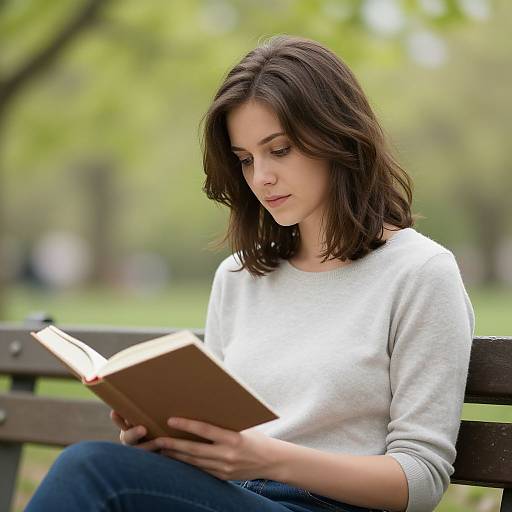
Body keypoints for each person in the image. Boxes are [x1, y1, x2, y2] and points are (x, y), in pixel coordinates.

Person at [25, 34, 475, 512]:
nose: (261, 177)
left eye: (278, 150)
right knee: (107, 471)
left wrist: (269, 459)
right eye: (245, 159)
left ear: (337, 136)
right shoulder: (239, 276)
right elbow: (226, 443)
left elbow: (421, 478)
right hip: (234, 499)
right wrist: (172, 444)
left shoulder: (420, 273)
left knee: (92, 471)